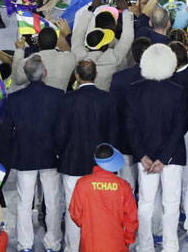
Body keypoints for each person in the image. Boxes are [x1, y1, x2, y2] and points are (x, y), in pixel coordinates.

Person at [125, 44, 187, 252]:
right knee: (171, 203)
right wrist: (165, 157)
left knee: (145, 203)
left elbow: (131, 126)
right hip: (171, 157)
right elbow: (179, 127)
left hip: (146, 159)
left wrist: (143, 155)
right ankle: (170, 246)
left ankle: (145, 245)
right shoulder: (178, 91)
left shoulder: (134, 90)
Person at [3, 54, 64, 252]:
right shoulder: (57, 95)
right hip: (51, 156)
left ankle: (25, 244)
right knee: (53, 201)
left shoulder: (14, 99)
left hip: (24, 156)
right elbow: (62, 128)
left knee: (24, 202)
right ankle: (53, 243)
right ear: (44, 73)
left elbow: (6, 131)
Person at [56, 59, 117, 252]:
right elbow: (113, 134)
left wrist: (60, 154)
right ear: (96, 75)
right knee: (101, 209)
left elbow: (60, 133)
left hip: (72, 163)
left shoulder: (66, 100)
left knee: (73, 208)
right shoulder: (108, 99)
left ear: (76, 76)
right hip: (102, 166)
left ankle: (73, 248)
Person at [69, 143, 139, 252]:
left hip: (89, 245)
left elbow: (75, 214)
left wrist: (89, 225)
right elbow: (131, 217)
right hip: (117, 245)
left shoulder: (82, 183)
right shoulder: (123, 186)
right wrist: (128, 239)